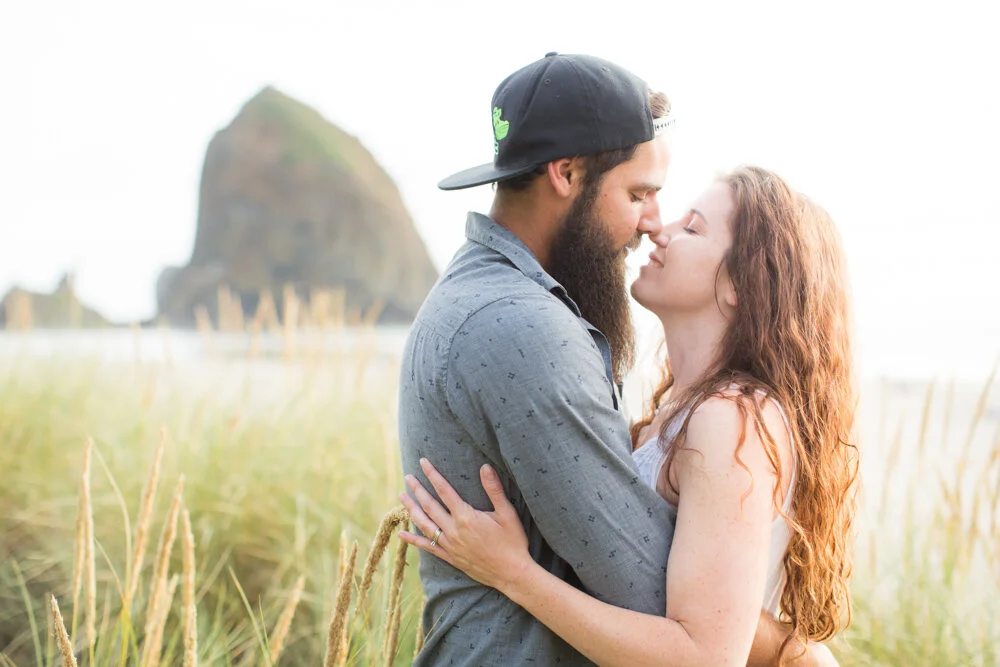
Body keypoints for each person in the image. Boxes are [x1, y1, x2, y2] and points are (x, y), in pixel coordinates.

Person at [398, 52, 836, 665]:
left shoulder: (724, 417)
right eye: (639, 193)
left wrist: (800, 655)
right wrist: (794, 653)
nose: (654, 224)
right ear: (565, 174)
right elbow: (654, 590)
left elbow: (697, 630)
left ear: (744, 280)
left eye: (689, 226)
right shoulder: (526, 327)